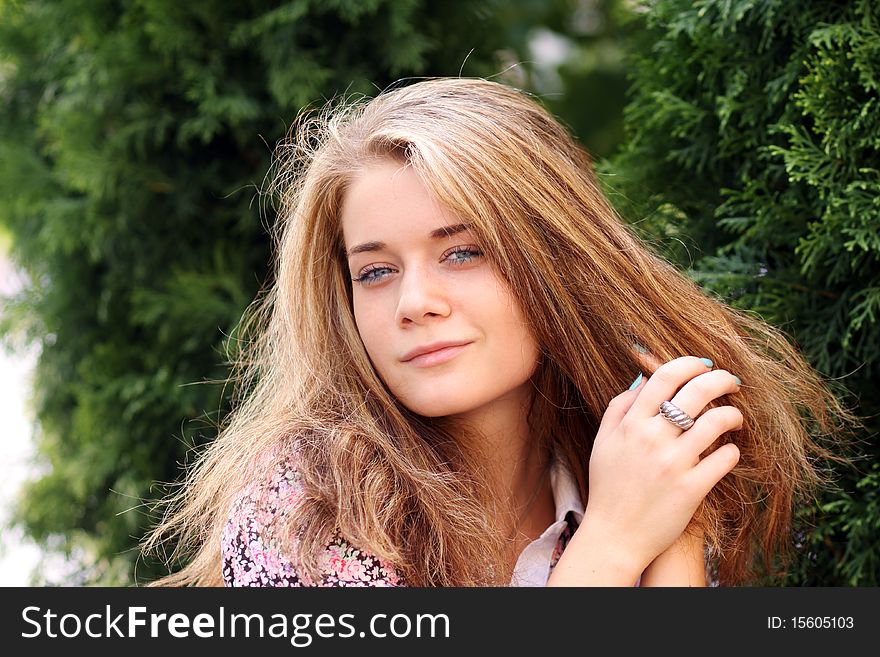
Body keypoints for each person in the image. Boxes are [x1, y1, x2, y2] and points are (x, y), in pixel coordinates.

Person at [143, 77, 857, 587]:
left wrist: (675, 523)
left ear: (556, 260)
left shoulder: (624, 470)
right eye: (376, 271)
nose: (414, 302)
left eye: (463, 252)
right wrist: (611, 543)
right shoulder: (304, 506)